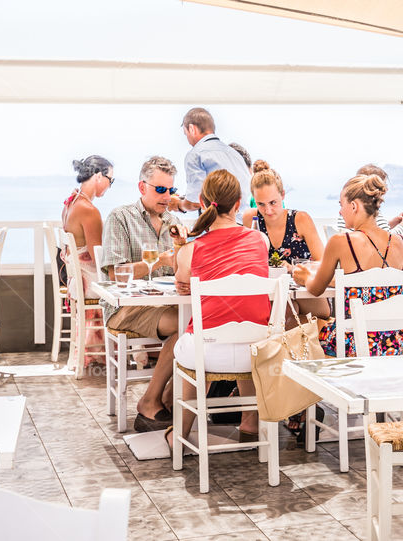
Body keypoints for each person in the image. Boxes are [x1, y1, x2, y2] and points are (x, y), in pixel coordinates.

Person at [167, 169, 271, 445]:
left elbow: (181, 280)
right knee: (244, 334)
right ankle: (250, 422)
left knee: (194, 340)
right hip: (257, 352)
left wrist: (180, 245)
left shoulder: (193, 249)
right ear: (239, 203)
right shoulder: (260, 241)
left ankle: (181, 432)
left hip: (209, 355)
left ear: (202, 201)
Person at [100, 156, 187, 432]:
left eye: (171, 190)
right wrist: (159, 261)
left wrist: (183, 252)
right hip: (124, 309)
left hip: (165, 304)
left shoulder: (174, 222)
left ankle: (166, 400)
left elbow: (182, 270)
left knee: (195, 323)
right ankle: (151, 402)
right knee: (187, 326)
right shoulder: (121, 217)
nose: (166, 197)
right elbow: (115, 272)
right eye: (160, 190)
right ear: (142, 187)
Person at [293, 174, 403, 358]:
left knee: (296, 322)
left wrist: (304, 276)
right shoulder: (400, 242)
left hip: (355, 342)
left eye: (341, 205)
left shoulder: (341, 241)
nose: (340, 212)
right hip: (394, 342)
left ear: (354, 206)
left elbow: (315, 289)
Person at [242, 159, 330, 319]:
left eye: (273, 202)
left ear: (282, 195)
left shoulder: (300, 219)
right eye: (261, 204)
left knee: (285, 311)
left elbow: (323, 264)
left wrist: (293, 268)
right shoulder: (251, 219)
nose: (268, 210)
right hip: (270, 294)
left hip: (305, 294)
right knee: (284, 311)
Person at [61, 155, 113, 368]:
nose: (110, 185)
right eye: (110, 179)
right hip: (88, 281)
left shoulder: (71, 202)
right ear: (99, 176)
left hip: (77, 278)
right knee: (124, 286)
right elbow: (98, 257)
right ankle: (135, 351)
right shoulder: (89, 210)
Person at [168, 107, 252, 215]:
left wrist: (179, 204)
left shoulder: (196, 154)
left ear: (192, 129)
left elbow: (195, 202)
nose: (188, 140)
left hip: (222, 225)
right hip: (244, 223)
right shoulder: (235, 154)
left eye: (186, 134)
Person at [334, 164, 403, 239]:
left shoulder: (347, 211)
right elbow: (387, 240)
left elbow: (373, 230)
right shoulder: (372, 213)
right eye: (382, 185)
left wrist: (391, 223)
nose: (386, 189)